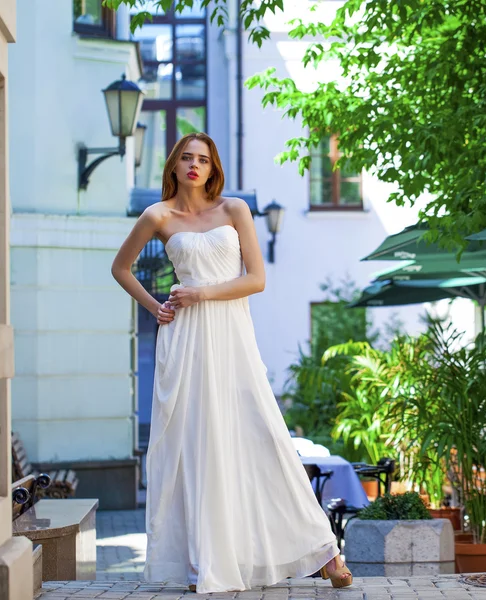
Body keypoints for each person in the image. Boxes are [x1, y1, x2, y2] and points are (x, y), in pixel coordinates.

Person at [111, 132, 352, 594]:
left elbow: (256, 280)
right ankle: (212, 562)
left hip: (233, 338)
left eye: (203, 158)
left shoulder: (235, 209)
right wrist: (154, 306)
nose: (195, 165)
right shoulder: (157, 216)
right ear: (175, 166)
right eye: (187, 158)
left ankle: (325, 552)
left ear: (213, 165)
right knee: (199, 447)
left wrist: (201, 292)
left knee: (265, 435)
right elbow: (121, 267)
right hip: (184, 343)